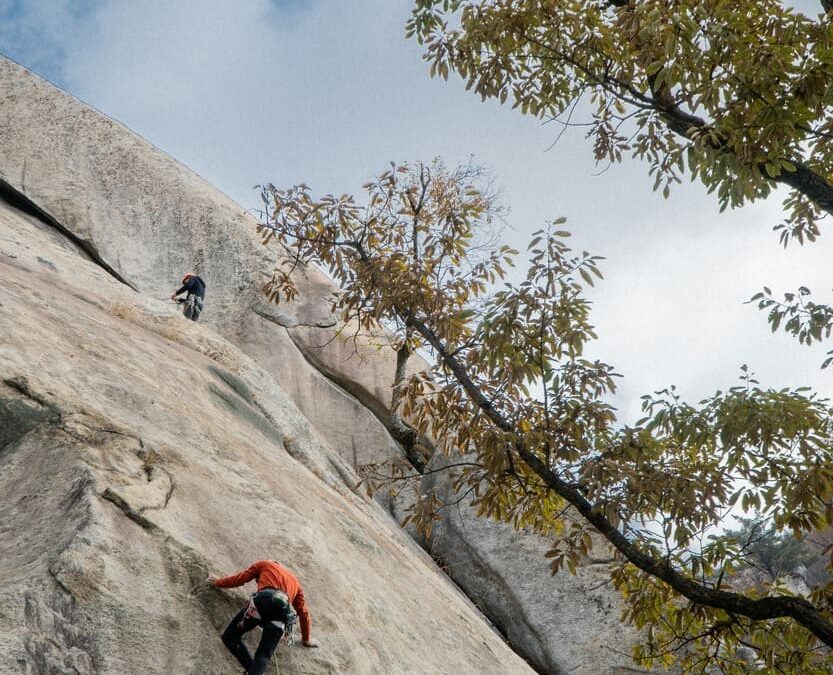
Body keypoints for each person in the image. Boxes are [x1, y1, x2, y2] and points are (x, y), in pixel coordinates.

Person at [210, 560, 320, 675]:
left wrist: (218, 582)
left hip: (262, 601)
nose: (258, 582)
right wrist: (306, 639)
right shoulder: (296, 584)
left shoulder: (265, 564)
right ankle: (253, 671)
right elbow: (304, 613)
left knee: (230, 637)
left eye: (257, 580)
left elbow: (241, 578)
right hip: (281, 611)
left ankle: (250, 667)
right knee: (264, 654)